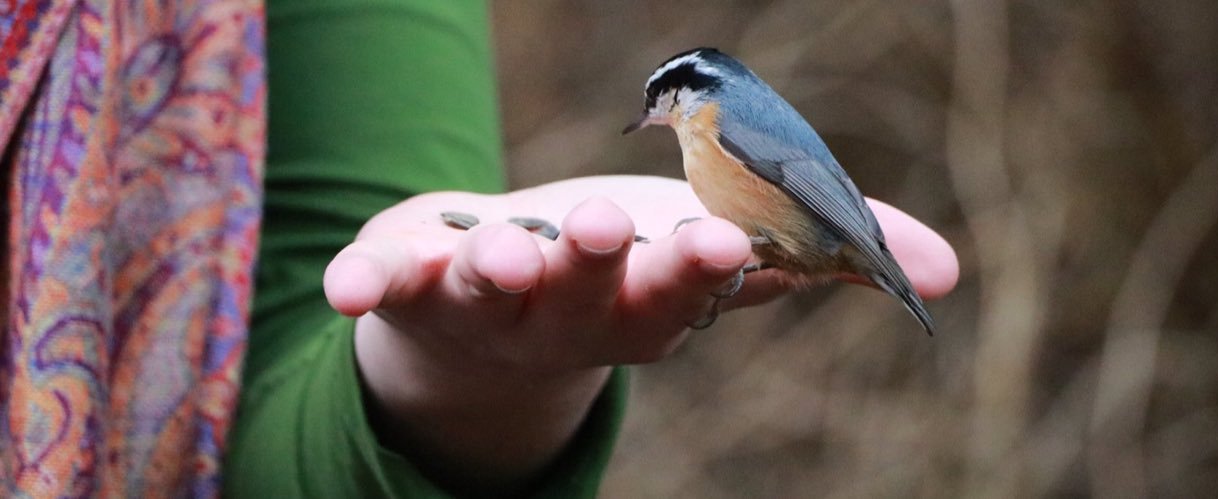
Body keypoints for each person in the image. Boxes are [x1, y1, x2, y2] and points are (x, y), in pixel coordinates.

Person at [0, 0, 958, 497]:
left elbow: (805, 192)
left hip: (823, 227)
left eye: (661, 98)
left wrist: (458, 375)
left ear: (688, 93)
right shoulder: (713, 123)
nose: (656, 116)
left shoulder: (724, 122)